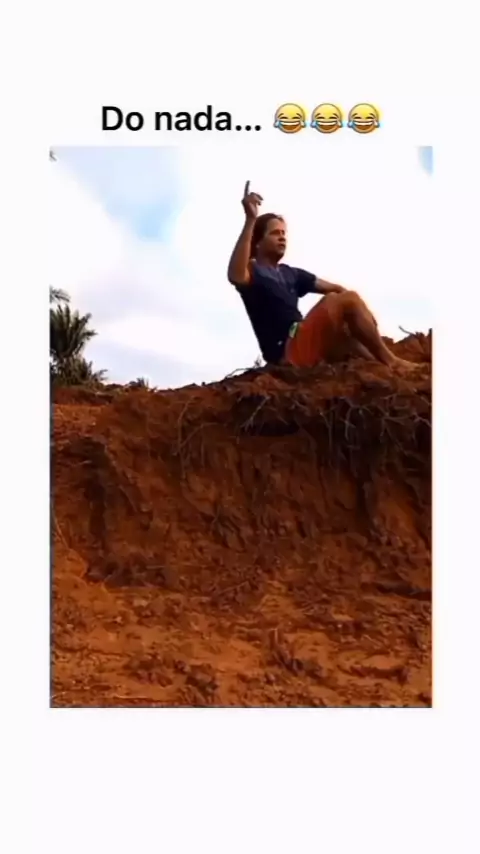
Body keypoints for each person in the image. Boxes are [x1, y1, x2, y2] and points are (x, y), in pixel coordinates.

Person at [227, 181, 414, 369]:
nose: (282, 237)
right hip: (288, 350)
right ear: (258, 242)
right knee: (346, 300)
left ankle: (389, 368)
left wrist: (361, 317)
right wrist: (250, 220)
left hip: (306, 341)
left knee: (349, 338)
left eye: (284, 233)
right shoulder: (252, 271)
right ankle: (392, 361)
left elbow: (337, 289)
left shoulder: (291, 273)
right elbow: (236, 276)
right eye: (275, 233)